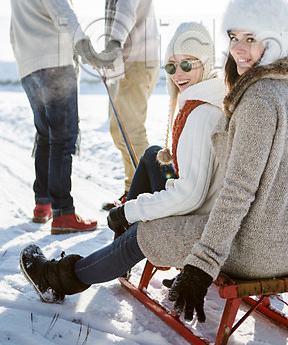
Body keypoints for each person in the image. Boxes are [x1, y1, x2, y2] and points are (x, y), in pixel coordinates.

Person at [19, 0, 288, 325]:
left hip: (258, 248)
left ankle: (60, 278)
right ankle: (118, 244)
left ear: (274, 41)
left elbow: (237, 192)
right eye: (233, 37)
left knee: (150, 232)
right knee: (152, 164)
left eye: (250, 39)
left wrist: (201, 267)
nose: (237, 49)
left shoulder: (257, 100)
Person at [19, 21, 226, 302]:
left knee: (143, 229)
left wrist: (131, 211)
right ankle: (120, 249)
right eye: (171, 67)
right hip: (204, 204)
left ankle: (60, 279)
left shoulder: (202, 114)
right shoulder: (206, 96)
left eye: (187, 65)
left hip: (198, 220)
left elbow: (190, 197)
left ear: (206, 62)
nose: (178, 74)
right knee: (153, 155)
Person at [10, 0, 107, 234]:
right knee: (64, 137)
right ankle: (64, 213)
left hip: (30, 68)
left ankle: (43, 204)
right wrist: (83, 44)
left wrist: (26, 65)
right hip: (55, 65)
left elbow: (14, 31)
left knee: (46, 135)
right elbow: (61, 11)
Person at [92, 0, 160, 209]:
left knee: (130, 129)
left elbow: (126, 13)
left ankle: (151, 196)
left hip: (138, 61)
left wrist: (113, 44)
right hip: (126, 62)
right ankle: (133, 190)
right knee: (120, 129)